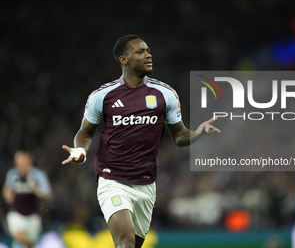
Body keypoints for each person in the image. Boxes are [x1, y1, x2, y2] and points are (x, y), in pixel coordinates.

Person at [62, 34, 220, 248]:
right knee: (125, 243)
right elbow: (86, 132)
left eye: (148, 51)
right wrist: (80, 149)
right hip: (113, 180)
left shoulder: (165, 94)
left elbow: (179, 136)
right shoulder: (102, 95)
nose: (148, 55)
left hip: (146, 184)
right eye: (140, 52)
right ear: (123, 59)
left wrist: (197, 133)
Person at [2, 150, 52, 248]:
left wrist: (37, 190)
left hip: (32, 215)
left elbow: (47, 195)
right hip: (16, 213)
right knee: (20, 237)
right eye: (18, 162)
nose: (20, 165)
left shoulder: (38, 175)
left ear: (29, 161)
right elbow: (7, 192)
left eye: (23, 162)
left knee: (29, 243)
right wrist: (7, 195)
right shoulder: (12, 175)